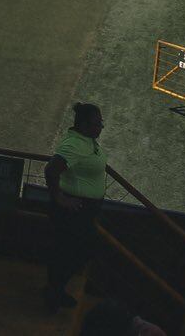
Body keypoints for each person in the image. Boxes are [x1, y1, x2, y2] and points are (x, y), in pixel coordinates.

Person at [42, 102, 107, 313]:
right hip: (73, 209)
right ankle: (53, 294)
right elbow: (51, 170)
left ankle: (55, 291)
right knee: (76, 251)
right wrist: (60, 198)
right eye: (97, 123)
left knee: (68, 252)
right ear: (84, 125)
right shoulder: (74, 145)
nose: (101, 127)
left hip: (82, 209)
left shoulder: (86, 141)